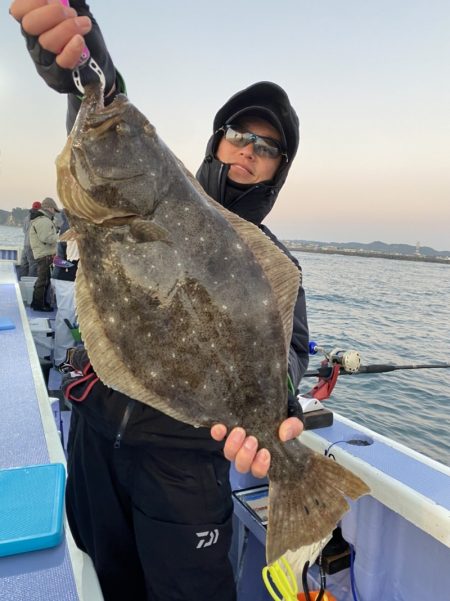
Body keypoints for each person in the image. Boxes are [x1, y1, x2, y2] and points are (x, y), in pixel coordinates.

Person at [10, 3, 309, 600]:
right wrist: (83, 58)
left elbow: (290, 351)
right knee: (98, 572)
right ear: (217, 141)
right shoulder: (163, 188)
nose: (248, 150)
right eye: (239, 135)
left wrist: (275, 399)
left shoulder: (274, 263)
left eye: (266, 147)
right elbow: (105, 102)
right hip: (96, 436)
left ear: (277, 169)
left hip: (183, 474)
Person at [51, 209, 79, 370]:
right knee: (67, 318)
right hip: (67, 279)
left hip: (68, 277)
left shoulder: (70, 222)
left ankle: (68, 358)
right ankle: (62, 361)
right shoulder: (73, 225)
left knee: (70, 318)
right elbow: (72, 256)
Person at [28, 196, 60, 311]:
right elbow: (46, 238)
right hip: (45, 255)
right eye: (55, 210)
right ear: (50, 208)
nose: (55, 213)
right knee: (43, 280)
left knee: (43, 280)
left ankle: (38, 303)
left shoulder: (39, 219)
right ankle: (38, 305)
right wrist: (61, 236)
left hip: (42, 254)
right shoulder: (44, 221)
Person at [19, 200, 41, 278]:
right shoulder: (39, 219)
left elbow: (24, 231)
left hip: (25, 244)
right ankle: (30, 283)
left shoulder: (26, 218)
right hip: (32, 245)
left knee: (24, 264)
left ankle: (21, 281)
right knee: (33, 265)